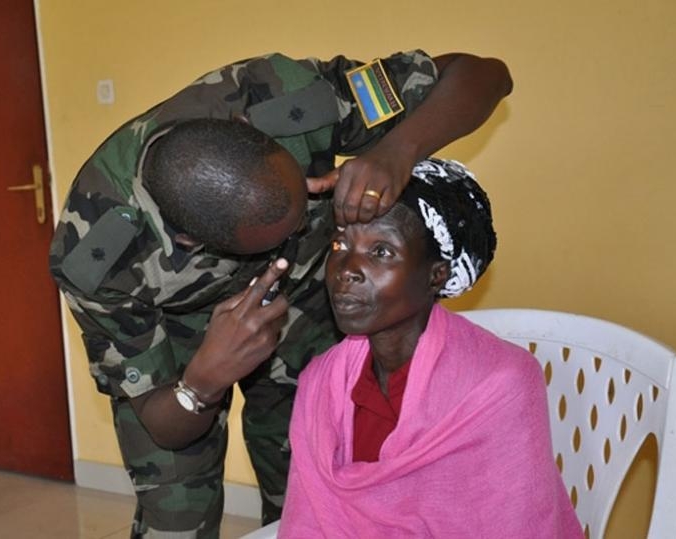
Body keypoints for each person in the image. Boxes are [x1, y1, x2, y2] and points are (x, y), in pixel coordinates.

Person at [49, 50, 512, 538]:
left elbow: (486, 75)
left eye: (309, 201)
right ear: (194, 244)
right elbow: (162, 426)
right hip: (174, 345)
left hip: (301, 302)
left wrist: (395, 151)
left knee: (312, 488)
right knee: (176, 518)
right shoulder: (97, 259)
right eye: (278, 234)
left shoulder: (282, 95)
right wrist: (203, 381)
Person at [281, 159, 583, 538]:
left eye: (381, 252)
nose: (346, 268)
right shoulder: (323, 383)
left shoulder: (500, 384)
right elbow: (309, 521)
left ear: (435, 275)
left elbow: (519, 524)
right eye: (341, 243)